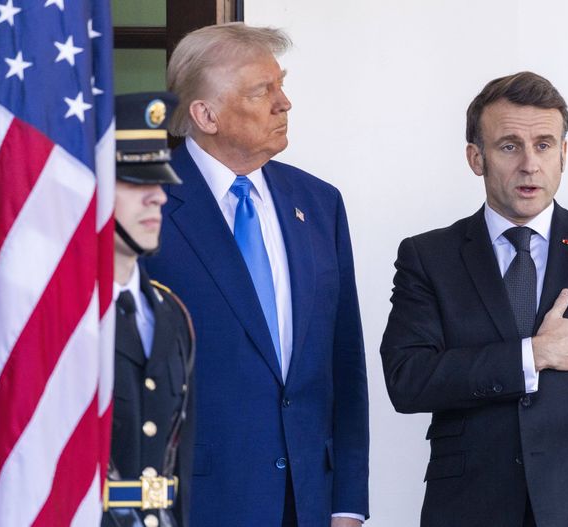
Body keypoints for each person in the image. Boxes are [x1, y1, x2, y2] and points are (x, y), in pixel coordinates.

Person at [381, 72, 568, 527]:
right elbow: (408, 380)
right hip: (469, 509)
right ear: (475, 158)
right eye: (509, 146)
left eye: (544, 145)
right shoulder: (428, 257)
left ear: (563, 154)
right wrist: (533, 355)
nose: (529, 164)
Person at [143, 23, 369, 527]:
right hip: (192, 503)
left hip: (307, 502)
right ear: (206, 115)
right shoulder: (145, 204)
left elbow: (343, 361)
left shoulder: (318, 202)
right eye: (262, 90)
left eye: (281, 83)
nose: (283, 102)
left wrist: (348, 502)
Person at [104, 92, 194, 527]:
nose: (156, 198)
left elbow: (178, 461)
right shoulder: (59, 317)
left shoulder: (171, 312)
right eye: (136, 183)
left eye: (158, 183)